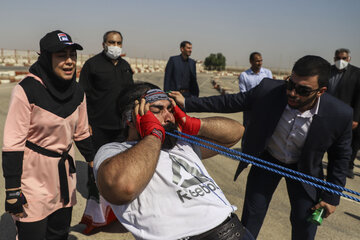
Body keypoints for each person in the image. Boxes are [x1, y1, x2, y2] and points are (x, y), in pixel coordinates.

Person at [170, 55, 352, 240]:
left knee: (304, 223)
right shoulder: (269, 90)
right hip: (268, 160)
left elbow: (341, 157)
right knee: (252, 216)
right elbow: (231, 102)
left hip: (304, 170)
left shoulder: (339, 114)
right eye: (291, 84)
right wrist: (187, 102)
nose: (293, 93)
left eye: (303, 90)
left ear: (320, 91)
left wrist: (332, 197)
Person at [93, 82, 255, 240]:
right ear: (131, 117)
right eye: (158, 110)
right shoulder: (114, 151)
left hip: (234, 231)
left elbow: (235, 132)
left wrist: (196, 124)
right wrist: (153, 135)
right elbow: (122, 187)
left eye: (170, 109)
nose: (169, 117)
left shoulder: (181, 143)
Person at [2, 30, 94, 240]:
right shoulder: (26, 90)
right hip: (33, 179)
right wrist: (13, 189)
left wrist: (93, 165)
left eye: (72, 55)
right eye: (61, 55)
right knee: (32, 234)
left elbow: (81, 132)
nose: (70, 61)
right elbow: (13, 143)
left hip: (64, 179)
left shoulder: (78, 92)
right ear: (45, 58)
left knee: (59, 233)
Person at [79, 30, 134, 233]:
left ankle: (116, 207)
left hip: (120, 128)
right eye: (111, 42)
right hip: (97, 127)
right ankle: (95, 211)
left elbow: (131, 96)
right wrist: (85, 123)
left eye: (118, 42)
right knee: (96, 169)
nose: (115, 46)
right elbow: (81, 96)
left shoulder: (126, 67)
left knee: (120, 168)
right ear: (104, 44)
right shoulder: (92, 66)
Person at [327, 48, 360, 179]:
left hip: (347, 116)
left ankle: (347, 166)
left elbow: (359, 98)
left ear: (349, 59)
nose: (341, 61)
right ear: (334, 59)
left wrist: (356, 117)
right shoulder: (328, 71)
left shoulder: (357, 73)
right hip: (328, 114)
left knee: (345, 146)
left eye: (344, 58)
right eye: (338, 58)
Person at [239, 52, 273, 127]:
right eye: (257, 61)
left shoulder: (267, 73)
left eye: (261, 60)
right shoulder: (244, 75)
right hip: (249, 108)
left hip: (264, 107)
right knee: (247, 131)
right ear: (251, 62)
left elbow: (271, 89)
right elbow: (243, 93)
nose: (260, 63)